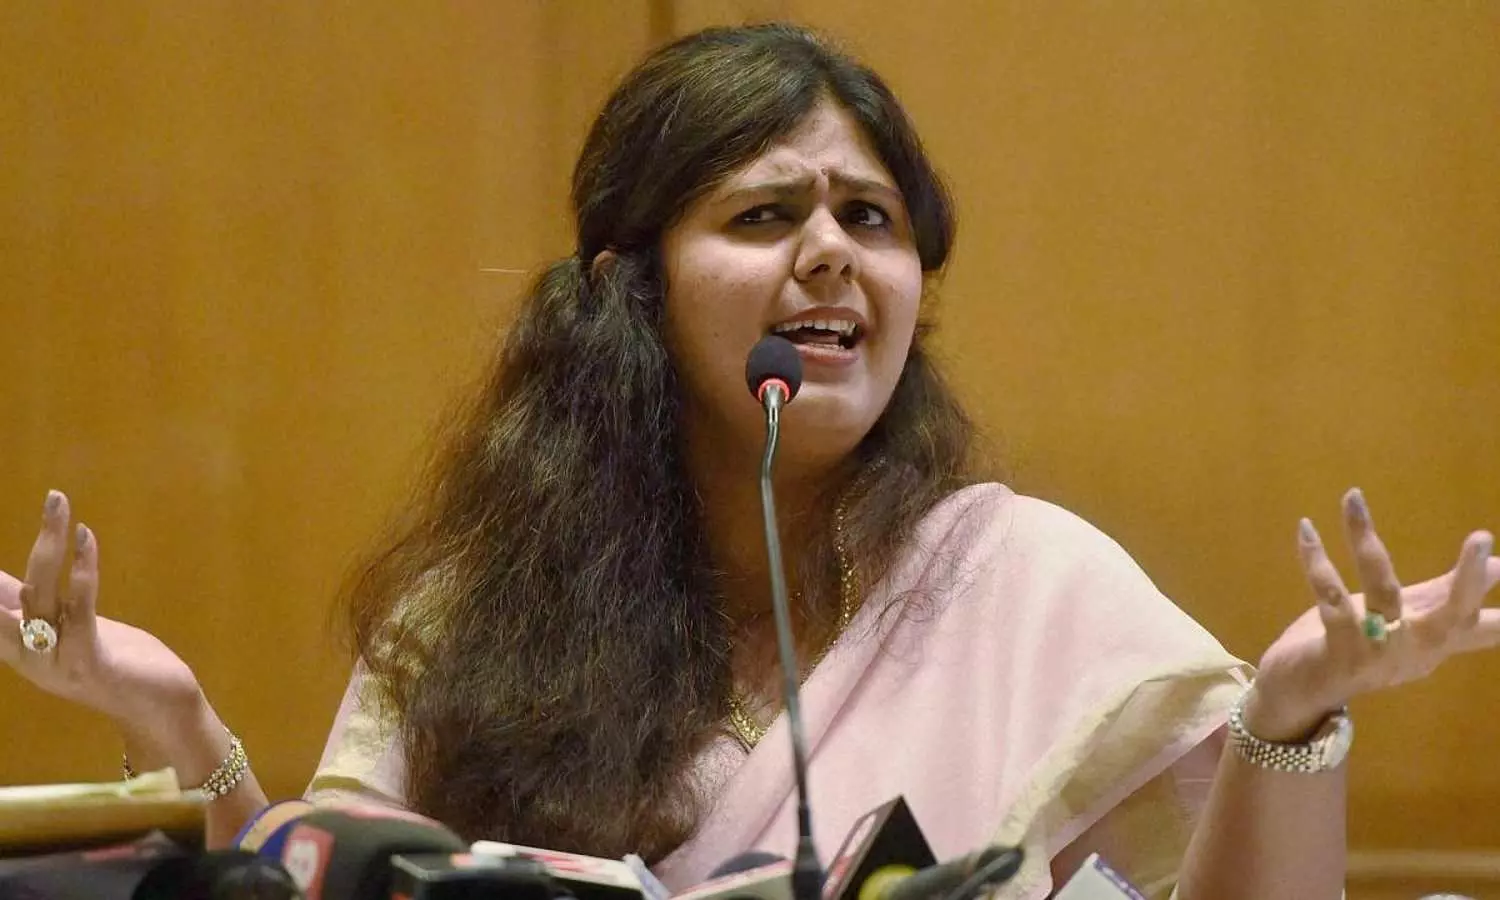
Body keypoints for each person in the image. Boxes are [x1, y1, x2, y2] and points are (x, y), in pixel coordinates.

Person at [2, 23, 1496, 900]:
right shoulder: (479, 609)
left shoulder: (1027, 584)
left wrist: (1290, 710)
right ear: (632, 286)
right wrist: (181, 724)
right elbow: (324, 881)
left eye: (871, 219)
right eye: (765, 216)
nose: (831, 255)